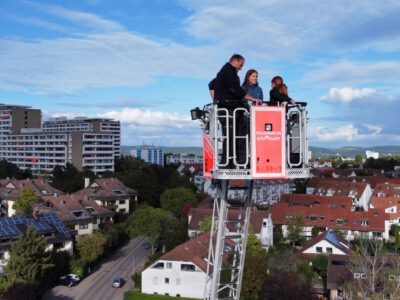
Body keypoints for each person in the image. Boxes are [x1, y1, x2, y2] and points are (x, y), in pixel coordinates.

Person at [210, 54, 260, 167]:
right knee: (230, 137)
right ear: (234, 61)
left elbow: (212, 85)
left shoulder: (225, 72)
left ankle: (235, 161)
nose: (241, 68)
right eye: (241, 65)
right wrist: (251, 98)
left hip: (230, 109)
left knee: (234, 136)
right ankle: (228, 163)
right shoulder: (228, 71)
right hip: (227, 109)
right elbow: (235, 89)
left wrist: (216, 100)